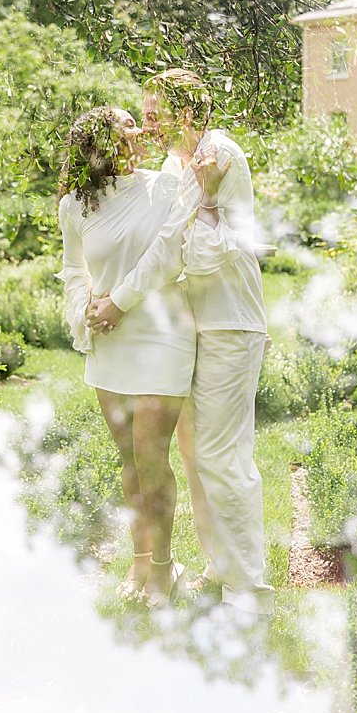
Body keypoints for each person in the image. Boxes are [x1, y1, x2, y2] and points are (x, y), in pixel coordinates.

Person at [88, 70, 272, 601]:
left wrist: (118, 302)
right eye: (142, 112)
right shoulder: (177, 163)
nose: (146, 122)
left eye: (154, 112)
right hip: (198, 325)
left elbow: (171, 247)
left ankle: (249, 587)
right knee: (195, 452)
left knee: (221, 454)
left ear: (186, 112)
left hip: (228, 323)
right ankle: (222, 566)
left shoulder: (217, 156)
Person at [58, 106, 199, 602]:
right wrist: (87, 310)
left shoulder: (167, 184)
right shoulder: (75, 204)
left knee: (151, 457)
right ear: (101, 144)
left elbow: (168, 258)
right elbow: (74, 268)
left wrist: (119, 302)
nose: (139, 130)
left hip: (162, 332)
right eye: (127, 125)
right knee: (128, 462)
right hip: (110, 341)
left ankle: (164, 569)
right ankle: (140, 564)